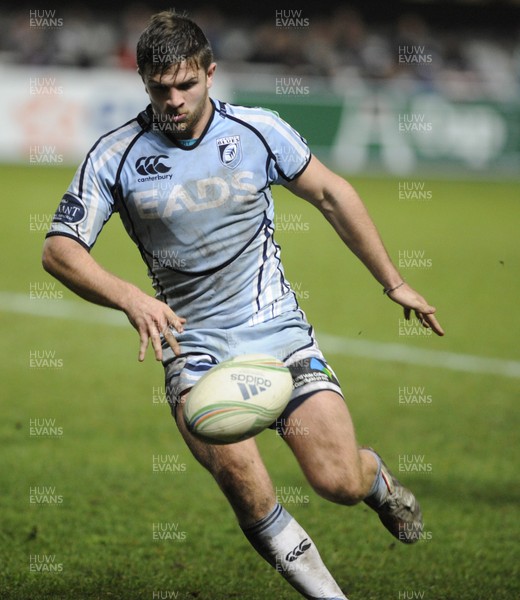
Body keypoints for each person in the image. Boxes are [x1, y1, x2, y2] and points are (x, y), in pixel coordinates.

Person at [42, 10, 444, 600]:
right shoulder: (116, 154)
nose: (173, 100)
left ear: (211, 72)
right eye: (159, 88)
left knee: (337, 481)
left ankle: (376, 482)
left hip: (277, 333)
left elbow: (332, 193)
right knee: (245, 485)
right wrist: (131, 297)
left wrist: (393, 281)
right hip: (194, 346)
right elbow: (58, 249)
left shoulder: (258, 130)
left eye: (186, 84)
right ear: (144, 84)